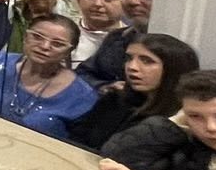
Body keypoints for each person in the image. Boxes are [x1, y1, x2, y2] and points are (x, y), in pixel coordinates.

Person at [0, 16, 96, 142]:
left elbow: (80, 145)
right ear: (26, 38)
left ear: (70, 50)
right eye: (37, 37)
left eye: (57, 44)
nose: (45, 46)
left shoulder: (82, 95)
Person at [70, 32, 198, 152]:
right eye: (129, 58)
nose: (132, 67)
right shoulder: (114, 100)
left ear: (173, 69)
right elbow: (76, 139)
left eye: (147, 61)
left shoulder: (178, 121)